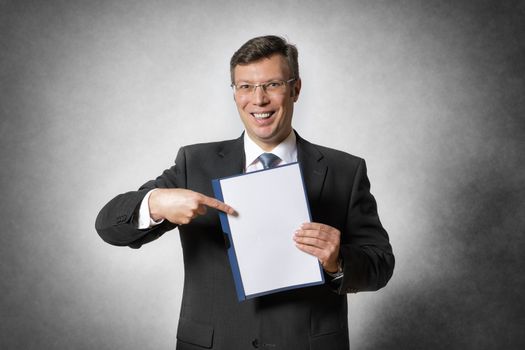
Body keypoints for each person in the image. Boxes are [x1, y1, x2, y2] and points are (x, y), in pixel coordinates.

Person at [96, 35, 394, 350]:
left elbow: (380, 264)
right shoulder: (195, 164)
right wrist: (155, 203)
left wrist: (338, 260)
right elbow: (108, 226)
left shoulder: (345, 171)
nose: (259, 99)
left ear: (295, 88)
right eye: (245, 87)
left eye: (272, 84)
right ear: (235, 92)